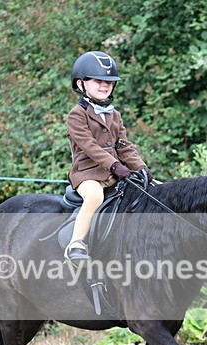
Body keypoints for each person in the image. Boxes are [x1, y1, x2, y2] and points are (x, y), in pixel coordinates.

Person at [64, 51, 151, 262]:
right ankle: (75, 244)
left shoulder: (114, 114)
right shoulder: (77, 115)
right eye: (98, 81)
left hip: (115, 173)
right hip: (88, 175)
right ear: (81, 83)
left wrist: (141, 168)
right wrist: (114, 166)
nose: (105, 86)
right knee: (95, 197)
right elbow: (90, 147)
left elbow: (124, 146)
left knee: (153, 191)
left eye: (109, 82)